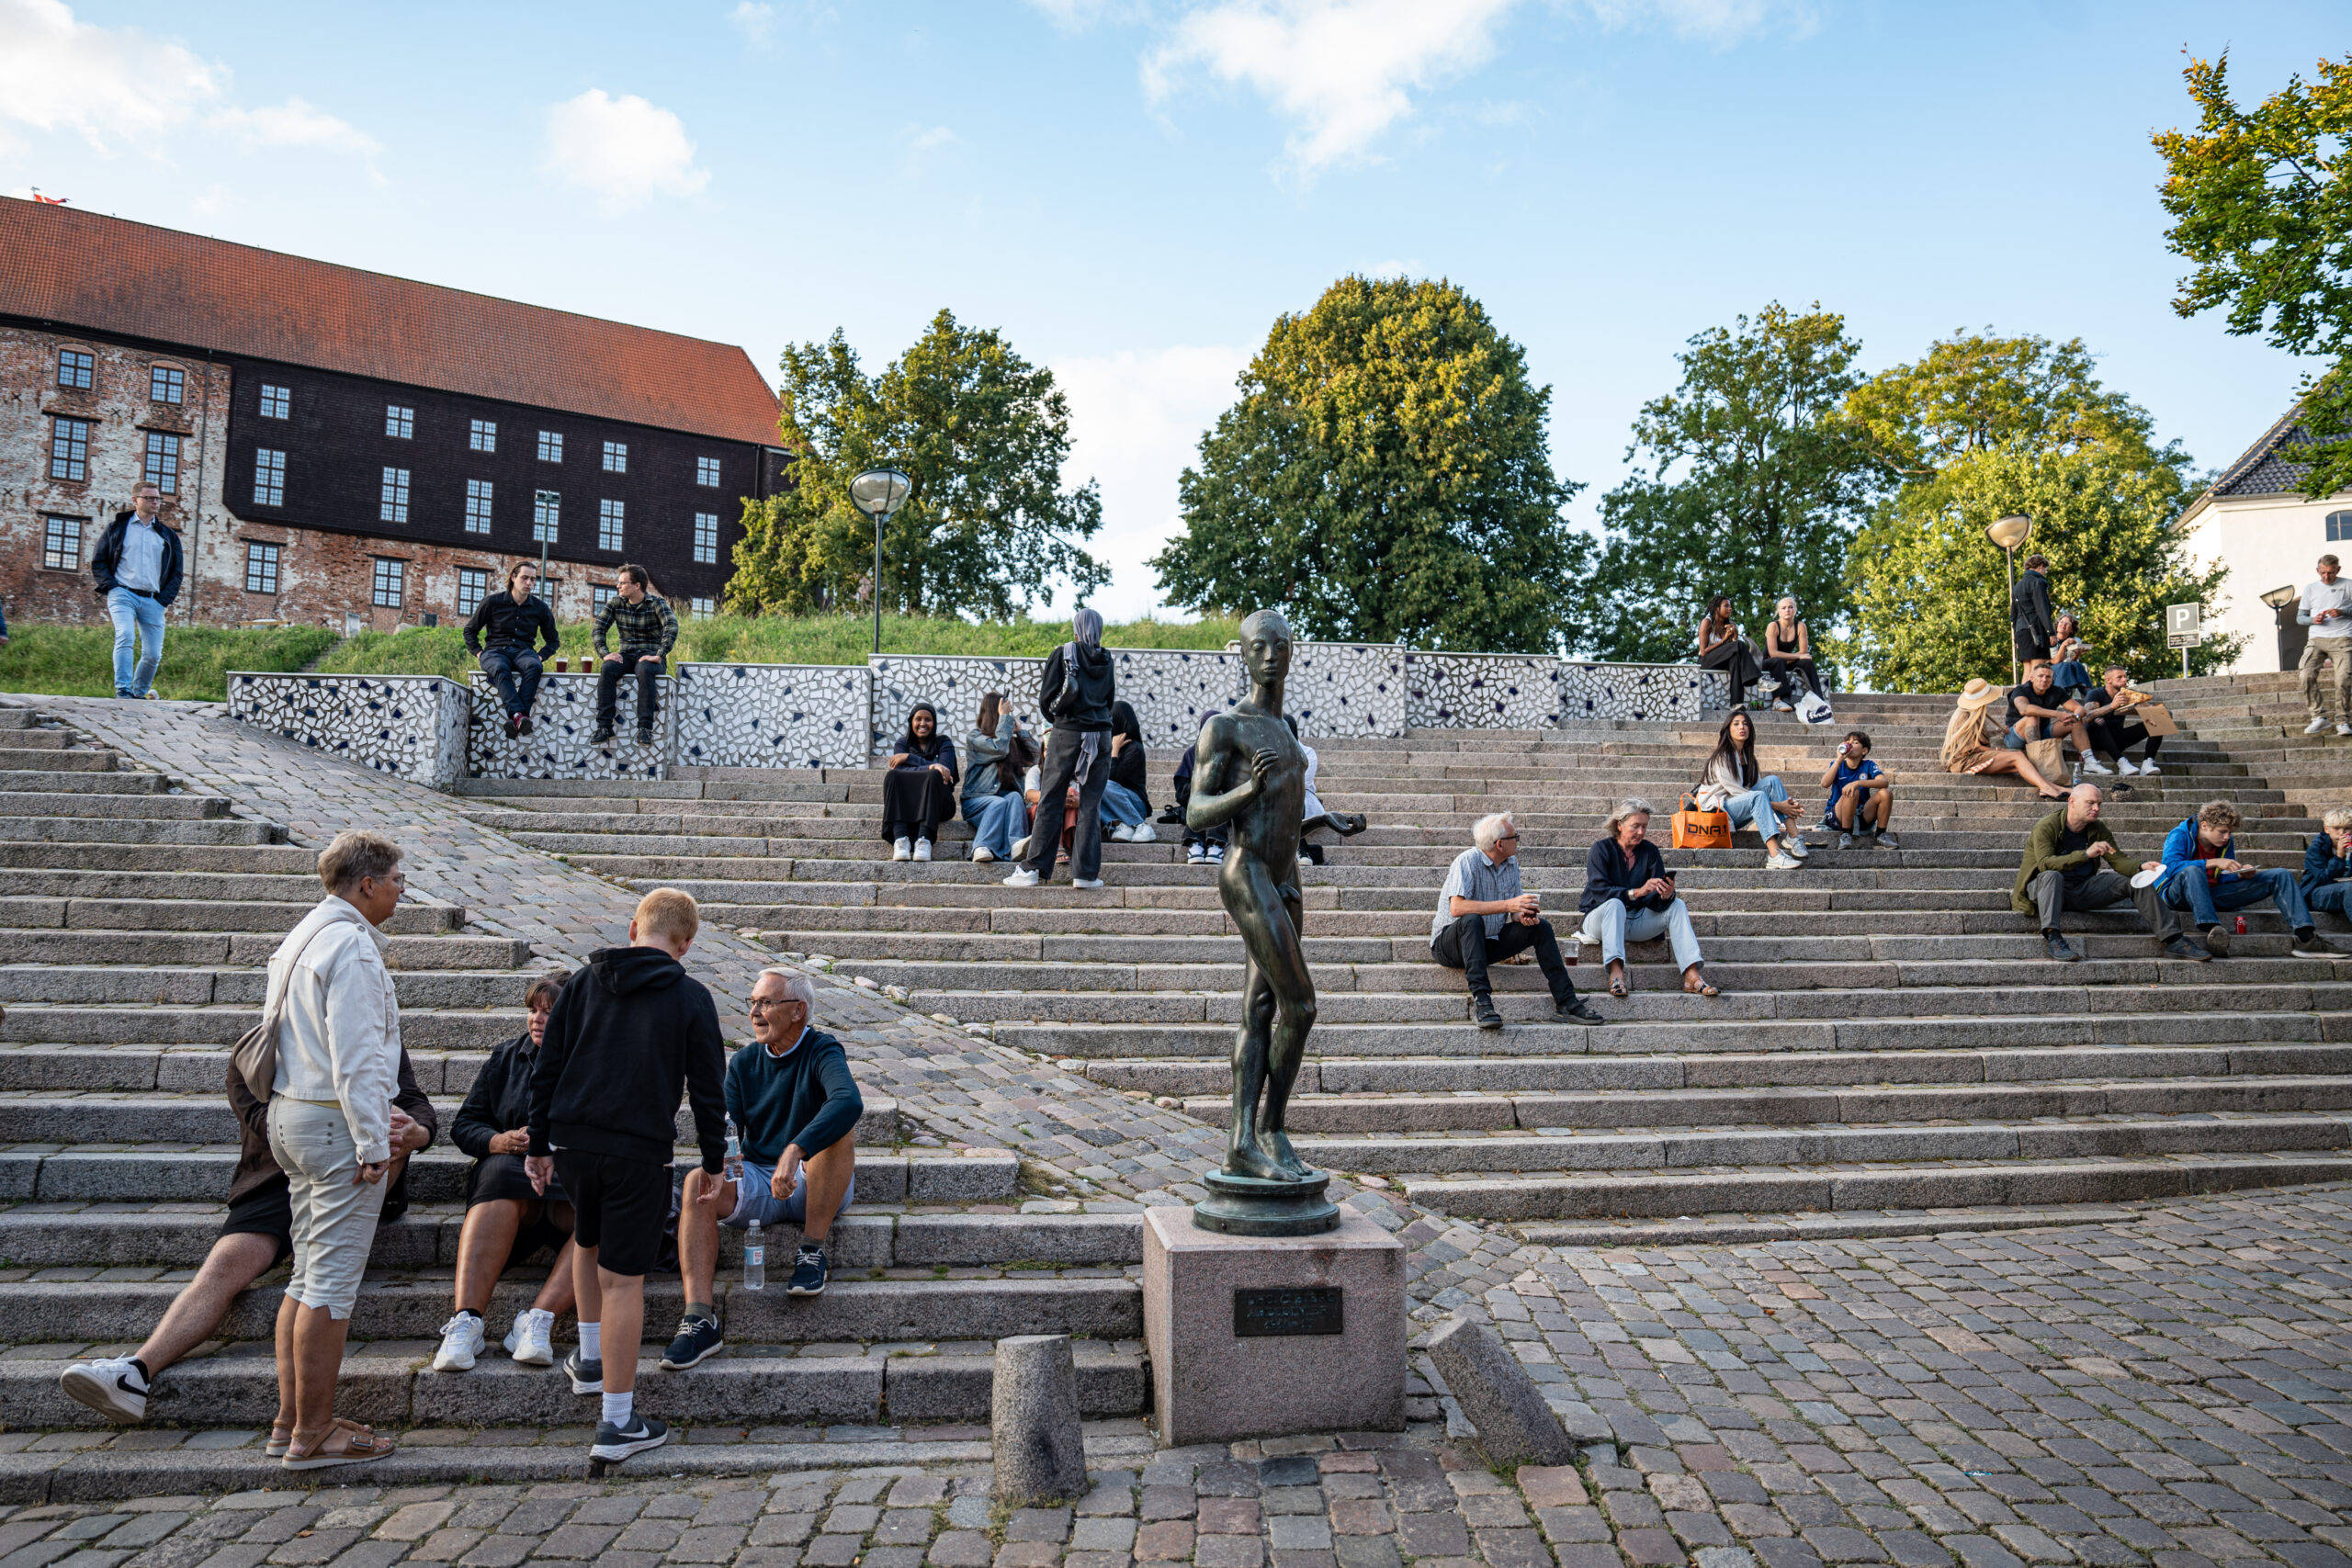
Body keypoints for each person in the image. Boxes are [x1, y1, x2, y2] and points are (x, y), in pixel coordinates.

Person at [58, 1047, 435, 1438]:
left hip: (357, 1172)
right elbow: (264, 1122)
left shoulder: (370, 1030)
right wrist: (343, 1124)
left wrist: (415, 1131)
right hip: (275, 1183)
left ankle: (300, 1421)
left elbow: (413, 1102)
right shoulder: (257, 1048)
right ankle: (135, 1372)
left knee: (386, 1136)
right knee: (223, 1269)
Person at [526, 887, 726, 1465]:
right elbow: (708, 1090)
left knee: (585, 1244)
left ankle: (591, 1361)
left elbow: (548, 1067)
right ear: (685, 944)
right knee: (624, 1281)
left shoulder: (586, 982)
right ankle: (617, 1422)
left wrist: (539, 1143)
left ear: (633, 928)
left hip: (574, 1144)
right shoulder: (690, 997)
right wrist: (713, 1162)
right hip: (638, 1152)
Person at [262, 830, 412, 1469]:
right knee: (328, 1286)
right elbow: (355, 1052)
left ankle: (291, 1420)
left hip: (292, 1112)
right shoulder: (350, 945)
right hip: (332, 1122)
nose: (403, 889)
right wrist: (374, 1139)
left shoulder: (303, 933)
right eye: (398, 878)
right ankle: (313, 1432)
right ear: (367, 883)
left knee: (304, 1279)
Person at [667, 969, 863, 1367]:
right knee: (695, 1183)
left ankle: (810, 1251)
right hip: (758, 1176)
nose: (755, 1012)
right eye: (752, 1003)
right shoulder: (744, 1062)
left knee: (839, 1133)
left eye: (766, 1003)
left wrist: (795, 1150)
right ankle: (699, 1318)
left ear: (797, 1012)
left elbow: (848, 1102)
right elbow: (725, 1128)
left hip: (816, 1183)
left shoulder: (823, 1050)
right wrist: (720, 1165)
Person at [432, 971, 578, 1373]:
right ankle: (467, 1321)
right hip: (513, 1184)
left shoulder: (594, 1061)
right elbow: (464, 1125)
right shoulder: (505, 1057)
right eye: (533, 1010)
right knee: (495, 1171)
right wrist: (497, 1141)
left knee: (607, 1194)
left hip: (567, 1184)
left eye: (549, 1011)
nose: (537, 1019)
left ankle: (537, 1320)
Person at [1430, 811, 1606, 1031]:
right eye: (1516, 837)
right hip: (1450, 946)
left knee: (1542, 928)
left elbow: (1513, 911)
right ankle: (1482, 1002)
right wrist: (1508, 905)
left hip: (1486, 943)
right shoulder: (1467, 861)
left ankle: (1566, 1001)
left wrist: (1521, 915)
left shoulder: (1510, 863)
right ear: (1499, 844)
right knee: (1472, 919)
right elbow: (1457, 908)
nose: (1519, 841)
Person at [2011, 785, 2203, 963]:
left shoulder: (2098, 829)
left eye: (2099, 804)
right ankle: (2054, 938)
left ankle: (2174, 940)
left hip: (2081, 889)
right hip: (2046, 891)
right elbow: (2045, 864)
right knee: (2052, 876)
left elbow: (2117, 860)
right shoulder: (2047, 827)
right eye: (2090, 803)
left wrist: (2140, 867)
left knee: (2136, 882)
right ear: (2072, 802)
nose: (2096, 808)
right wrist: (2085, 854)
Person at [1005, 609, 1115, 892]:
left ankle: (1033, 870)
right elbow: (1109, 699)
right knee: (1091, 803)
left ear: (1076, 628)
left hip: (1068, 732)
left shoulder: (1064, 653)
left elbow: (1046, 700)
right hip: (1102, 734)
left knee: (1051, 799)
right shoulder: (1106, 658)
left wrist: (1064, 718)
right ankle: (1086, 875)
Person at [2155, 800, 2340, 960]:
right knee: (2192, 870)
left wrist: (2241, 873)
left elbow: (2223, 879)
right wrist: (2214, 862)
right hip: (2179, 895)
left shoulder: (2225, 841)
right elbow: (2169, 867)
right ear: (2204, 825)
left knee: (2280, 874)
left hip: (2213, 894)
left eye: (2229, 832)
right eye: (2222, 832)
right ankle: (2213, 929)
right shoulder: (2179, 834)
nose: (2227, 837)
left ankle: (2306, 937)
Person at [1577, 797, 1716, 1000]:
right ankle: (1616, 974)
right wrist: (1636, 892)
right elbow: (1599, 891)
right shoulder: (1601, 849)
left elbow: (1655, 902)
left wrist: (1665, 895)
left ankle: (1692, 977)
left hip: (1637, 921)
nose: (1641, 832)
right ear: (1620, 825)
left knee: (1677, 905)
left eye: (1644, 826)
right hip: (1599, 920)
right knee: (1615, 904)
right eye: (1635, 826)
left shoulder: (1650, 851)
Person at [90, 479, 182, 700]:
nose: (155, 502)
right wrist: (111, 586)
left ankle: (138, 693)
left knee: (153, 654)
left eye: (158, 498)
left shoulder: (168, 536)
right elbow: (99, 561)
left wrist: (163, 600)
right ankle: (122, 689)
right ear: (135, 501)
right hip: (122, 593)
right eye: (150, 498)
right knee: (125, 635)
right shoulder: (117, 528)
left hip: (153, 600)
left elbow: (177, 572)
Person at [1695, 710, 1809, 870]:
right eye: (1736, 724)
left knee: (1772, 782)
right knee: (1758, 796)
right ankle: (1774, 855)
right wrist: (1779, 806)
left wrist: (1785, 806)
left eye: (1745, 723)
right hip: (1716, 812)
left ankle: (1794, 836)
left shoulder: (1748, 757)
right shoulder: (1722, 756)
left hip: (1736, 809)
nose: (1742, 727)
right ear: (1728, 730)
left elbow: (1762, 788)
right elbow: (1738, 792)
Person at [465, 561, 560, 738]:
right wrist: (479, 652)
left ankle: (515, 717)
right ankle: (521, 716)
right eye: (525, 578)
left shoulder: (540, 608)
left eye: (533, 579)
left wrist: (540, 656)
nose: (529, 583)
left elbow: (553, 640)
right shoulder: (492, 602)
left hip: (524, 651)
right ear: (513, 578)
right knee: (500, 668)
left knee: (534, 666)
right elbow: (470, 630)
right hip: (494, 651)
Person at [590, 565, 678, 747]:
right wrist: (605, 654)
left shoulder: (657, 603)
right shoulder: (616, 603)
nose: (618, 586)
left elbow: (671, 626)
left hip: (650, 656)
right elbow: (598, 628)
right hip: (626, 655)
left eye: (623, 583)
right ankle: (605, 727)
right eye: (619, 583)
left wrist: (659, 654)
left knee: (645, 669)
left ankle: (644, 729)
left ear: (637, 585)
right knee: (607, 668)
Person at [1942, 679, 2069, 799]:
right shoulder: (1964, 716)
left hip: (1974, 757)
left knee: (2019, 762)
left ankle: (2055, 787)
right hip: (1967, 761)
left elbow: (1977, 736)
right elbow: (1974, 747)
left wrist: (1997, 732)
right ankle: (2046, 787)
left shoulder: (1974, 715)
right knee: (2017, 756)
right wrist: (1999, 750)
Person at [1283, 714, 1368, 865]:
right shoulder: (1268, 751)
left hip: (1302, 798)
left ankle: (1301, 849)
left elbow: (1300, 784)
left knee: (1293, 797)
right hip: (1275, 799)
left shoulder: (1308, 753)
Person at [961, 693, 1035, 864]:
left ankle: (1016, 844)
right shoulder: (975, 737)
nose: (1008, 718)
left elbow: (1035, 756)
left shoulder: (1009, 741)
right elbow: (998, 749)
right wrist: (1004, 719)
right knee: (998, 802)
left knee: (1015, 797)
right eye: (1004, 713)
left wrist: (1021, 732)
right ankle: (980, 846)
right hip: (976, 802)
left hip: (1002, 802)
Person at [881, 703, 958, 862]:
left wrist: (909, 758)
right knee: (892, 776)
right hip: (909, 804)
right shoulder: (902, 744)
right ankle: (900, 839)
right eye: (918, 719)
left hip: (941, 804)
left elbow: (945, 772)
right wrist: (931, 765)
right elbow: (899, 771)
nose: (923, 723)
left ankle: (925, 839)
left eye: (928, 719)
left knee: (934, 776)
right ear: (911, 722)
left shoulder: (944, 743)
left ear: (934, 723)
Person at [2299, 554, 2352, 737]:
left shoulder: (2348, 585)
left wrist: (2343, 611)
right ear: (2317, 570)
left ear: (2338, 570)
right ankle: (2319, 717)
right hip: (2317, 639)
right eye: (2323, 573)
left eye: (2330, 573)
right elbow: (2300, 618)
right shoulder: (2310, 589)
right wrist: (2313, 619)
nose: (2326, 577)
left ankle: (2343, 721)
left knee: (2343, 679)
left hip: (2343, 639)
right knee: (2305, 674)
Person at [2078, 665, 2165, 777]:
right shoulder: (2096, 693)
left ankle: (2147, 763)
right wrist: (2112, 706)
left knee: (2157, 721)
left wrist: (2147, 709)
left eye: (2125, 677)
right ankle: (2122, 763)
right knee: (2097, 721)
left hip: (2117, 738)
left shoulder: (2129, 693)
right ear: (2108, 680)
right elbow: (2087, 717)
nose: (2124, 680)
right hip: (2096, 740)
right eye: (2119, 677)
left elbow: (2151, 711)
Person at [2007, 660, 2092, 771]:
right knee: (2032, 717)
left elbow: (2080, 709)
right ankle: (2039, 762)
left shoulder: (2056, 691)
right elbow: (2024, 709)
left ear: (2052, 679)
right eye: (2040, 676)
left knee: (2075, 720)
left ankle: (2090, 762)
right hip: (2015, 736)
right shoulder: (2020, 690)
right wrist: (2057, 714)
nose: (2044, 679)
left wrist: (2075, 716)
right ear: (2032, 678)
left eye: (2048, 677)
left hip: (2042, 734)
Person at [1820, 730, 1896, 849]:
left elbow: (1884, 782)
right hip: (1838, 814)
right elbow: (1824, 783)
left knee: (1885, 793)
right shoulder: (1837, 765)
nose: (1850, 745)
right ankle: (1846, 834)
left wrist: (1858, 782)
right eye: (1848, 742)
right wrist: (1839, 759)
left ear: (1864, 751)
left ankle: (1881, 834)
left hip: (1861, 813)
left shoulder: (1869, 765)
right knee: (1852, 791)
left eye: (1855, 743)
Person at [1102, 699, 1158, 844]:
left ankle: (1140, 825)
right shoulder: (1107, 748)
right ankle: (1120, 824)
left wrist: (1114, 751)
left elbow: (1112, 779)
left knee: (1103, 785)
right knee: (1087, 789)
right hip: (1117, 804)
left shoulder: (1134, 749)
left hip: (1136, 805)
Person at [1175, 712, 1227, 865]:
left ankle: (1216, 844)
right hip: (1195, 804)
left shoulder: (1231, 754)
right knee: (1199, 793)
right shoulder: (1192, 754)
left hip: (1224, 807)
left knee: (1217, 794)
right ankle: (1195, 842)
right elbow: (1180, 793)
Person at [1696, 593, 1763, 709]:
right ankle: (1760, 679)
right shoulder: (1707, 623)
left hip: (1721, 661)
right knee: (1739, 645)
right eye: (1726, 606)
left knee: (1735, 659)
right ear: (1717, 608)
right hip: (1706, 661)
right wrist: (1724, 640)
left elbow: (1732, 649)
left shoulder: (1729, 625)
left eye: (1730, 606)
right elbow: (1703, 652)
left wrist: (1735, 636)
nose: (1730, 609)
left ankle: (1736, 703)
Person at [1760, 597, 1819, 711]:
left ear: (1795, 610)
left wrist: (1799, 657)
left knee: (1807, 662)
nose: (1787, 610)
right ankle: (1778, 701)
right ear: (1779, 612)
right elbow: (1773, 653)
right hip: (1770, 662)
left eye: (1791, 607)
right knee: (1779, 660)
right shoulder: (1773, 626)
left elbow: (1804, 652)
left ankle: (1818, 699)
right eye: (1784, 608)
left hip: (1786, 661)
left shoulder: (1801, 626)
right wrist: (1797, 656)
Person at [2301, 807, 2352, 920]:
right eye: (2336, 828)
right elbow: (2324, 878)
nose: (2342, 833)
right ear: (2327, 829)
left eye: (2347, 828)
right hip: (2316, 894)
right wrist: (2339, 857)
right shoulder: (2316, 848)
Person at [2011, 553, 2056, 673]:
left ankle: (2022, 692)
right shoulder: (2037, 582)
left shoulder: (2017, 586)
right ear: (2041, 566)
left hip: (2022, 632)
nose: (2045, 573)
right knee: (2038, 670)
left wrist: (2016, 639)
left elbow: (2013, 615)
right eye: (2045, 570)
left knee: (2028, 671)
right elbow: (2042, 609)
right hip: (2036, 631)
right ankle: (2029, 693)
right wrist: (2050, 632)